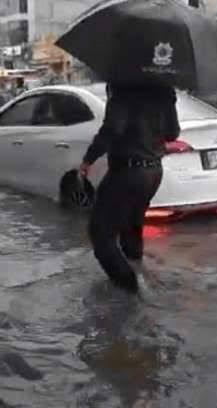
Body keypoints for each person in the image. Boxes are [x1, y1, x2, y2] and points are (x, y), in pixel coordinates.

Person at [79, 83, 180, 293]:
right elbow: (172, 133)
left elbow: (112, 130)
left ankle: (132, 291)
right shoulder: (164, 91)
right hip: (153, 172)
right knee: (131, 229)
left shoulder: (123, 90)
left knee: (100, 233)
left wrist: (88, 160)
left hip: (127, 172)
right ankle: (138, 273)